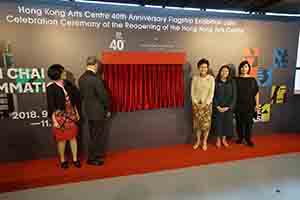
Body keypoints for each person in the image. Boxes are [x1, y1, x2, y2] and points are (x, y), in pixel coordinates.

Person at [46, 64, 81, 169]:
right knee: (62, 140)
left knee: (73, 138)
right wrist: (54, 121)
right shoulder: (50, 87)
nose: (65, 73)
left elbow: (73, 100)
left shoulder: (68, 84)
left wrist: (76, 112)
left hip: (71, 114)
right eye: (63, 72)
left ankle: (75, 159)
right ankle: (63, 160)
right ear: (57, 74)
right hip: (59, 116)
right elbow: (50, 105)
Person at [79, 56, 110, 166]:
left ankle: (95, 155)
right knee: (96, 135)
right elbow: (103, 96)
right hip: (98, 111)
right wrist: (108, 108)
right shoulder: (96, 78)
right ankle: (92, 159)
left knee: (93, 135)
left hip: (88, 111)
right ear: (95, 65)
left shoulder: (81, 78)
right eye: (98, 65)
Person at [191, 58, 215, 151]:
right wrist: (196, 103)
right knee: (197, 126)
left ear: (207, 68)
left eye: (205, 67)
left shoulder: (211, 79)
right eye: (201, 67)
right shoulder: (195, 78)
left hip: (207, 106)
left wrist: (206, 104)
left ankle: (204, 141)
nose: (203, 69)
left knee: (206, 126)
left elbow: (211, 93)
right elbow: (192, 92)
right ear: (198, 68)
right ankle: (198, 141)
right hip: (196, 105)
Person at [235, 60, 260, 147]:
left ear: (248, 68)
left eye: (246, 66)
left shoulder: (252, 80)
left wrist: (257, 105)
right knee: (239, 123)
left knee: (249, 123)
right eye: (242, 67)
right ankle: (240, 138)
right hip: (238, 105)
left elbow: (256, 92)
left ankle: (248, 139)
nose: (244, 68)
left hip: (250, 105)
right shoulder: (236, 79)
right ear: (240, 68)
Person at [212, 65, 236, 148]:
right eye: (222, 71)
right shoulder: (215, 82)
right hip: (218, 108)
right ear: (220, 72)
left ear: (229, 73)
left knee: (227, 124)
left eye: (226, 71)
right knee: (218, 124)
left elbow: (234, 96)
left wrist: (229, 107)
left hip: (228, 108)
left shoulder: (232, 82)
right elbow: (213, 96)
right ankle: (218, 139)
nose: (224, 72)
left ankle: (224, 139)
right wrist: (217, 106)